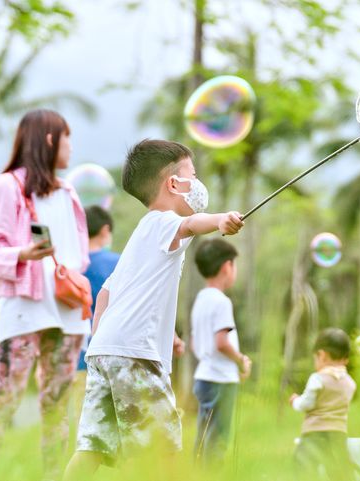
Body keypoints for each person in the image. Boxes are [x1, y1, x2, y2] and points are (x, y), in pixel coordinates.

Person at [63, 139, 244, 479]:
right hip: (135, 353)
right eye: (193, 174)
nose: (198, 182)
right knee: (163, 452)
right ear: (174, 183)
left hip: (103, 352)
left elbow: (104, 297)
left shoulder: (139, 237)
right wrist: (221, 220)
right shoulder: (163, 221)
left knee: (92, 448)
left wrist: (108, 345)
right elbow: (190, 225)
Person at [0, 109, 90, 479]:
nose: (71, 147)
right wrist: (23, 254)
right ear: (48, 139)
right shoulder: (5, 187)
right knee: (5, 399)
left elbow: (80, 255)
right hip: (23, 308)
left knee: (57, 406)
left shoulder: (69, 193)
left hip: (67, 310)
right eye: (67, 137)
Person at [191, 238, 251, 463]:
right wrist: (240, 360)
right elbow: (222, 342)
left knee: (203, 438)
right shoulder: (222, 301)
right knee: (219, 439)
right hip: (221, 380)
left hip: (204, 377)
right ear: (227, 267)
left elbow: (196, 343)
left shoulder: (201, 299)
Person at [290, 328, 356, 481]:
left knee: (304, 470)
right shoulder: (350, 383)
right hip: (338, 435)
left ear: (322, 355)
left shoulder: (317, 378)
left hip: (314, 435)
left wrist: (295, 401)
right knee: (340, 474)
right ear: (346, 359)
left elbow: (306, 404)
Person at [76, 205, 120, 372]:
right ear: (105, 230)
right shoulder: (117, 263)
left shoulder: (70, 264)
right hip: (108, 349)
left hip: (73, 348)